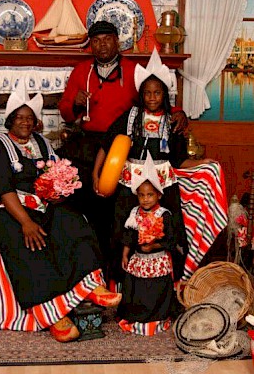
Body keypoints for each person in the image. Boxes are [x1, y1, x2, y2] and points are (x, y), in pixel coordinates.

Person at [0, 79, 122, 343]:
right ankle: (54, 315)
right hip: (6, 209)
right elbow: (3, 191)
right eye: (19, 118)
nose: (25, 122)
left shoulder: (41, 143)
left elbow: (56, 174)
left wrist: (58, 190)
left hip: (40, 205)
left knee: (73, 221)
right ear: (10, 120)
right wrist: (25, 222)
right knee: (28, 243)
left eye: (29, 118)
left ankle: (90, 285)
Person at [58, 20, 188, 271]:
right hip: (91, 145)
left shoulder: (132, 70)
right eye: (96, 40)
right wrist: (74, 102)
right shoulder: (80, 71)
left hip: (123, 148)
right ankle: (90, 270)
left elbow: (153, 98)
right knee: (87, 210)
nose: (102, 44)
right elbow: (65, 112)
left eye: (107, 39)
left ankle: (119, 269)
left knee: (118, 212)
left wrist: (179, 112)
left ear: (117, 41)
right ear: (90, 45)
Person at [93, 48, 215, 284]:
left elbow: (179, 160)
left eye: (157, 93)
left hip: (163, 183)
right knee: (122, 227)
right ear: (141, 94)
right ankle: (119, 283)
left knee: (171, 227)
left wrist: (201, 163)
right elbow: (106, 145)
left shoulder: (173, 122)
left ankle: (173, 282)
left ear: (164, 94)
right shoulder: (130, 116)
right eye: (147, 93)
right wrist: (96, 175)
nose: (152, 97)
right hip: (130, 183)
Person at [117, 153, 177, 336]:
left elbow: (171, 241)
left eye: (150, 195)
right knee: (138, 289)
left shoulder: (164, 215)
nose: (146, 199)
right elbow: (129, 234)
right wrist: (125, 254)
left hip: (157, 260)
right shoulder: (134, 212)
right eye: (142, 195)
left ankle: (157, 316)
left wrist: (154, 246)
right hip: (139, 260)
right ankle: (138, 316)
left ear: (159, 194)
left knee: (156, 290)